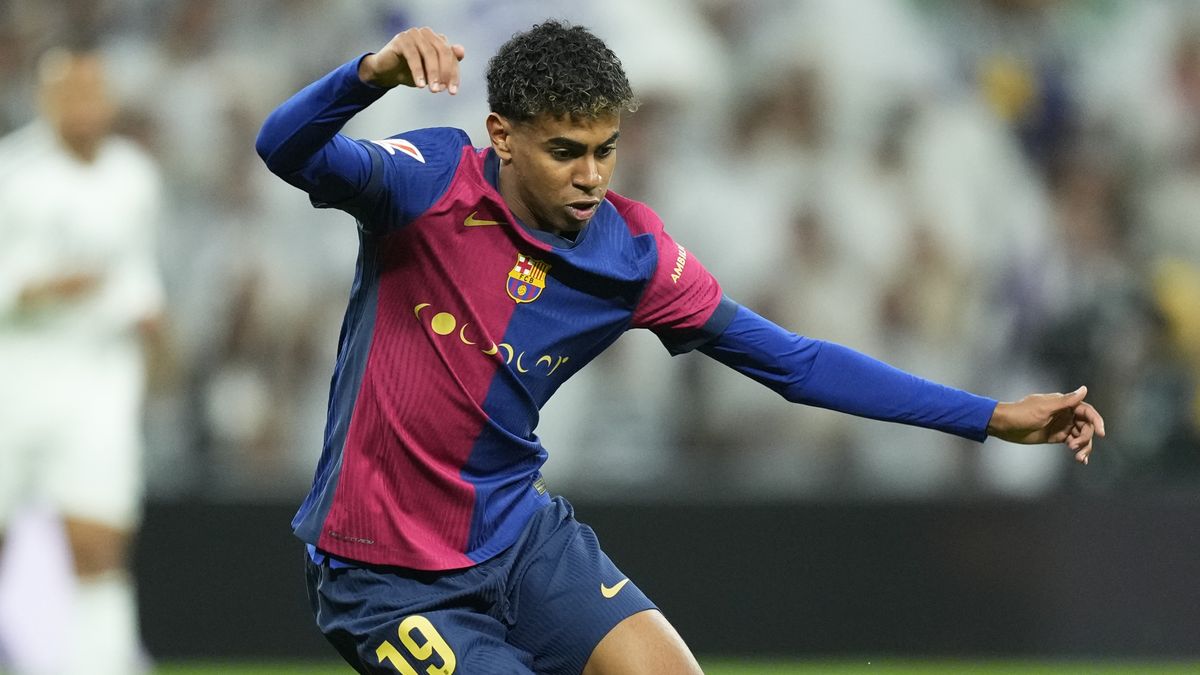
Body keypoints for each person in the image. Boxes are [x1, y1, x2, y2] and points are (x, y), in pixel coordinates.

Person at [256, 21, 1104, 674]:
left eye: (605, 150)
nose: (591, 175)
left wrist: (990, 416)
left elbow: (797, 363)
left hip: (517, 538)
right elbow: (282, 148)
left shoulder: (633, 256)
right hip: (382, 572)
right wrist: (369, 75)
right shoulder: (428, 182)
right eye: (565, 152)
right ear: (502, 136)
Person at [0, 47, 164, 674]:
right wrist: (33, 290)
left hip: (100, 377)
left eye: (94, 93)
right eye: (70, 94)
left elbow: (140, 282)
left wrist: (154, 335)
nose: (85, 106)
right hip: (16, 372)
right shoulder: (14, 174)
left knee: (97, 539)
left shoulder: (134, 177)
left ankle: (103, 664)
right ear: (46, 100)